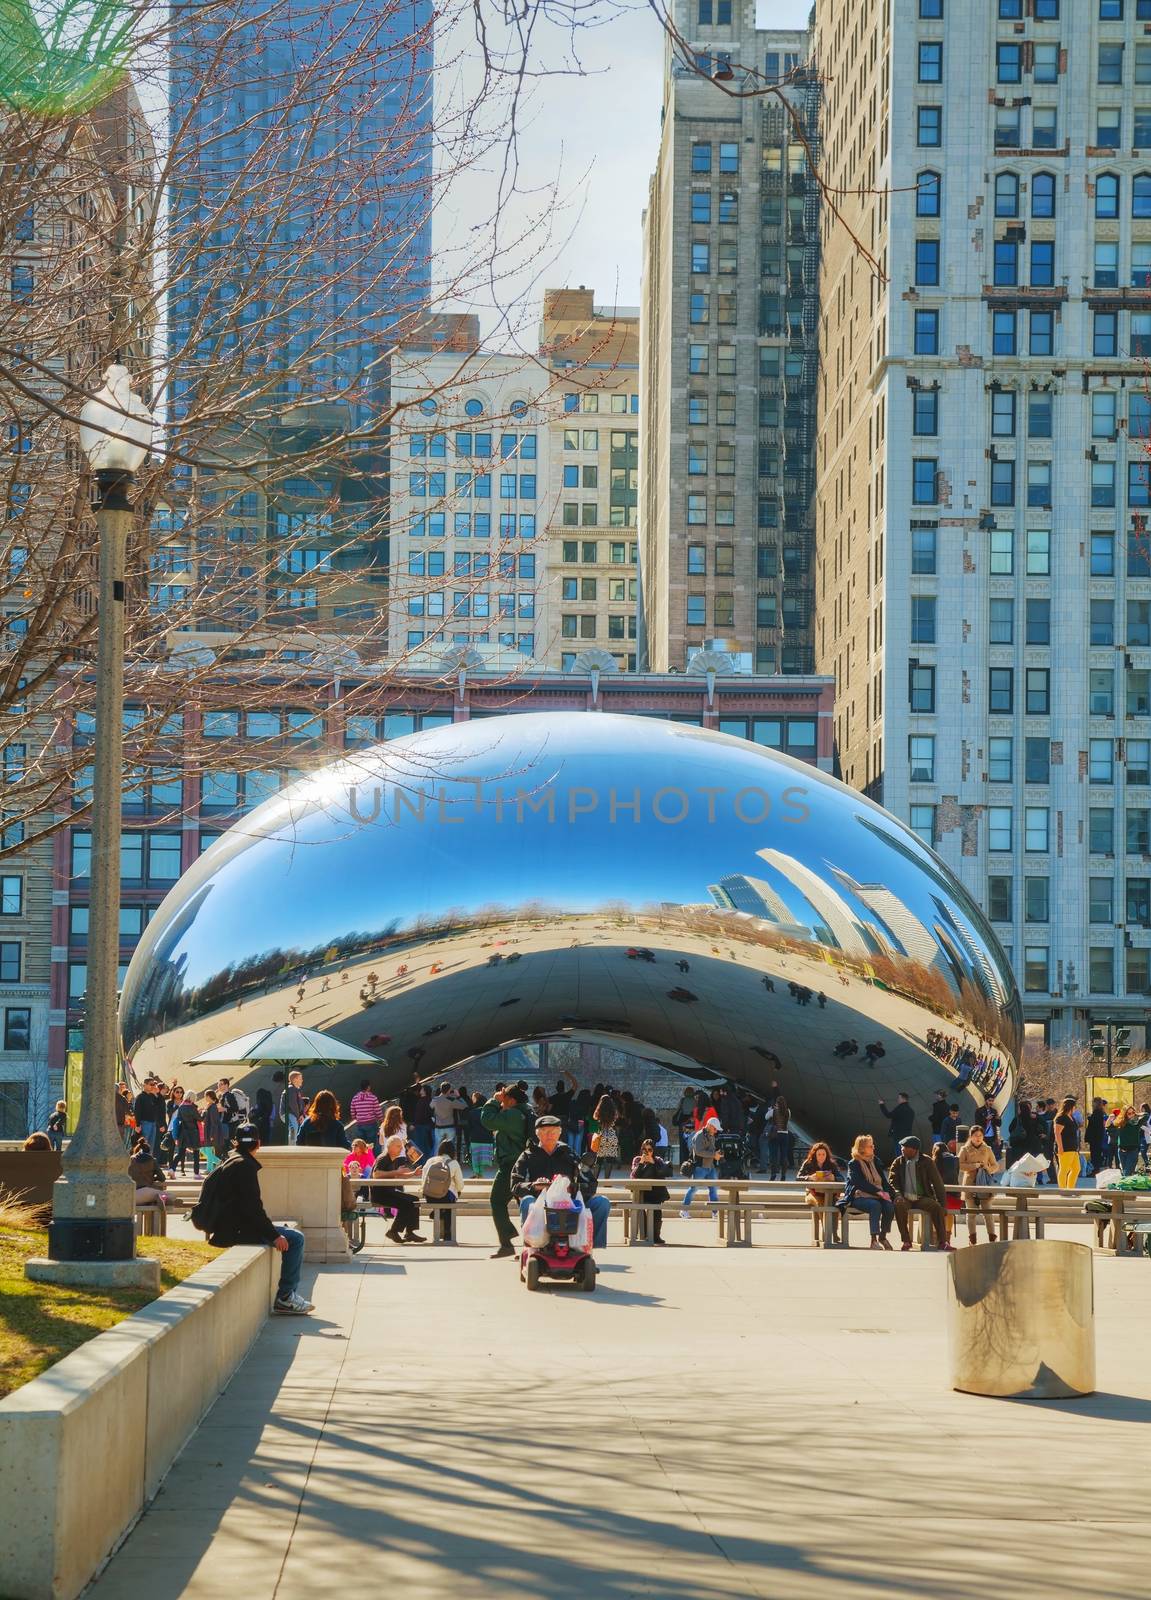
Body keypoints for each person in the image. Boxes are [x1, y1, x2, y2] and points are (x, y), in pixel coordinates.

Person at [192, 1123, 312, 1315]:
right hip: (237, 1230)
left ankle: (287, 1296)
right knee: (295, 1239)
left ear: (236, 1143)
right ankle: (286, 1297)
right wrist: (274, 1235)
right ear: (258, 1143)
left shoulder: (232, 1161)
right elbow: (252, 1208)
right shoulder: (245, 1166)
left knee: (288, 1233)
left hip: (231, 1226)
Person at [509, 1115, 611, 1250]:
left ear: (560, 1132)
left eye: (554, 1130)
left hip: (569, 1204)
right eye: (545, 1131)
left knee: (602, 1203)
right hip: (542, 1205)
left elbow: (590, 1185)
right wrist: (534, 1186)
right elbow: (515, 1185)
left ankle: (590, 1248)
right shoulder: (528, 1155)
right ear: (537, 1133)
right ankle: (531, 1246)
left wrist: (572, 1187)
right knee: (527, 1201)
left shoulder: (569, 1153)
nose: (549, 1134)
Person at [481, 1085, 534, 1258]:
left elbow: (487, 1120)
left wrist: (494, 1100)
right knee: (526, 1205)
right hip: (524, 1163)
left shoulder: (512, 1114)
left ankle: (506, 1243)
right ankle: (532, 1247)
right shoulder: (525, 1111)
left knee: (497, 1201)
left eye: (505, 1099)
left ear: (511, 1100)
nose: (502, 1102)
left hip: (511, 1165)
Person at [888, 1136, 951, 1251]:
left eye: (905, 1147)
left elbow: (938, 1183)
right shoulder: (898, 1162)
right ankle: (906, 1241)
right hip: (905, 1197)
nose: (902, 1149)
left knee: (936, 1207)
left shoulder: (927, 1161)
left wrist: (943, 1204)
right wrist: (897, 1194)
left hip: (922, 1197)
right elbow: (892, 1182)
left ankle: (943, 1242)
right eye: (902, 1146)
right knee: (899, 1205)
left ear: (914, 1149)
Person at [839, 1133, 896, 1249]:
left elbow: (883, 1181)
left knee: (889, 1206)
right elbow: (858, 1182)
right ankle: (873, 1240)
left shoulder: (875, 1161)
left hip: (877, 1196)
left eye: (873, 1145)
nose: (873, 1147)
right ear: (862, 1149)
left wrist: (892, 1194)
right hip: (859, 1197)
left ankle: (883, 1237)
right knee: (875, 1205)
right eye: (870, 1146)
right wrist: (878, 1192)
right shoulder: (854, 1163)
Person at [371, 1135, 427, 1242]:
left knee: (414, 1199)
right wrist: (397, 1172)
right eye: (398, 1146)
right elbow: (376, 1174)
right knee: (406, 1204)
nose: (401, 1149)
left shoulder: (393, 1159)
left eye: (401, 1147)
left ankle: (410, 1233)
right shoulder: (383, 1158)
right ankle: (393, 1231)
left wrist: (413, 1173)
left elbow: (397, 1175)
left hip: (389, 1192)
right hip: (380, 1195)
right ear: (389, 1146)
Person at [957, 1124, 1000, 1243]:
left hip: (984, 1184)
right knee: (971, 1213)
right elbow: (959, 1165)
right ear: (971, 1137)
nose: (978, 1138)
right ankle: (972, 1238)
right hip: (970, 1183)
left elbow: (996, 1166)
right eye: (975, 1136)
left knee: (988, 1212)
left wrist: (987, 1167)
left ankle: (992, 1237)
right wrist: (973, 1166)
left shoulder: (987, 1149)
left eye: (980, 1136)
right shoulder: (964, 1149)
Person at [797, 1141, 843, 1244]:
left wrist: (834, 1177)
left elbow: (841, 1178)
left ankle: (834, 1234)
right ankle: (826, 1234)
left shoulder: (831, 1165)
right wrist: (809, 1177)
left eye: (823, 1154)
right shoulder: (808, 1163)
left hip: (828, 1194)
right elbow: (798, 1177)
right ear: (815, 1155)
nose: (821, 1157)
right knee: (821, 1204)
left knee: (836, 1204)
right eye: (819, 1154)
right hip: (811, 1193)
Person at [423, 1138, 466, 1242]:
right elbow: (460, 1185)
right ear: (452, 1151)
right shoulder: (454, 1163)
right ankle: (448, 1233)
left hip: (430, 1197)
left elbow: (423, 1180)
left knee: (443, 1200)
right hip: (445, 1197)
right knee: (450, 1203)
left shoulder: (430, 1161)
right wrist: (457, 1191)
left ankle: (437, 1212)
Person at [631, 1136, 672, 1244]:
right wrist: (641, 1163)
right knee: (640, 1210)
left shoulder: (658, 1160)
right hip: (641, 1193)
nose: (647, 1152)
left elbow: (662, 1175)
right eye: (644, 1149)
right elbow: (634, 1176)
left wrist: (653, 1163)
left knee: (657, 1212)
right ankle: (644, 1235)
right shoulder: (637, 1159)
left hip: (655, 1193)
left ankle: (656, 1235)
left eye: (650, 1150)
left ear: (653, 1150)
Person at [681, 1116, 721, 1216]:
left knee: (713, 1189)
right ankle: (684, 1210)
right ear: (709, 1126)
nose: (716, 1131)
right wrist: (713, 1154)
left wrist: (716, 1154)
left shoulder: (710, 1135)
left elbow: (708, 1150)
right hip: (700, 1167)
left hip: (710, 1167)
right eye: (715, 1128)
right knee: (694, 1188)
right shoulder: (699, 1135)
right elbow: (698, 1151)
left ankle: (715, 1212)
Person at [171, 1090, 202, 1176]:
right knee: (196, 1153)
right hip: (193, 1132)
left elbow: (178, 1119)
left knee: (181, 1153)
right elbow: (200, 1119)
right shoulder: (193, 1107)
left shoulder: (181, 1107)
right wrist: (202, 1112)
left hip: (183, 1132)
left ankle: (172, 1169)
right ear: (192, 1098)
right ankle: (196, 1173)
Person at [590, 1094, 621, 1178]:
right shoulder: (613, 1110)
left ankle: (594, 1179)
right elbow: (617, 1116)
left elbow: (594, 1117)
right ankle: (607, 1180)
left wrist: (599, 1106)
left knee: (599, 1159)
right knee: (609, 1159)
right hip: (611, 1135)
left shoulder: (599, 1110)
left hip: (602, 1135)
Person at [1053, 1096, 1081, 1189]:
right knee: (1064, 1169)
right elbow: (1057, 1133)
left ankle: (1070, 1188)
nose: (1075, 1108)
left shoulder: (1071, 1117)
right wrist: (1060, 1147)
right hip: (1065, 1147)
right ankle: (1063, 1189)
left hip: (1073, 1148)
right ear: (1071, 1106)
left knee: (1076, 1169)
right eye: (1074, 1106)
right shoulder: (1061, 1118)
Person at [128, 1140, 167, 1205]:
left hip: (133, 1192)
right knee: (169, 1196)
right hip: (147, 1190)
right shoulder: (152, 1160)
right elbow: (162, 1178)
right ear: (149, 1151)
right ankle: (162, 1199)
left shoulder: (130, 1160)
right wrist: (153, 1178)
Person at [132, 1077, 163, 1153]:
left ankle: (148, 1161)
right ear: (144, 1085)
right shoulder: (140, 1097)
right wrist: (138, 1124)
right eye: (151, 1084)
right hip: (145, 1123)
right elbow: (137, 1111)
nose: (153, 1086)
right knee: (143, 1144)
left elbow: (160, 1105)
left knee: (150, 1146)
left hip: (153, 1123)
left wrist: (157, 1093)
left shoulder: (152, 1096)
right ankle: (141, 1161)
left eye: (154, 1084)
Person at [201, 1088, 230, 1169]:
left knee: (207, 1150)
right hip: (207, 1131)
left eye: (205, 1096)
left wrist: (212, 1134)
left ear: (209, 1096)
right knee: (205, 1149)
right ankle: (218, 1162)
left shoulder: (213, 1107)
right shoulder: (209, 1106)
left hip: (210, 1132)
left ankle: (210, 1168)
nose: (205, 1098)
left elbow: (214, 1122)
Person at [349, 1080, 383, 1148]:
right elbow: (378, 1111)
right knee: (372, 1145)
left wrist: (357, 1118)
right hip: (371, 1124)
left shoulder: (355, 1098)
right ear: (368, 1087)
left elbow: (352, 1112)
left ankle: (363, 1158)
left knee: (362, 1145)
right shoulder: (373, 1098)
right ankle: (372, 1158)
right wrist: (382, 1120)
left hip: (360, 1124)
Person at [466, 1091, 493, 1176]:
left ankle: (477, 1174)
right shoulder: (489, 1112)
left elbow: (469, 1128)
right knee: (482, 1160)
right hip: (487, 1139)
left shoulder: (471, 1113)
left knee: (475, 1159)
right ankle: (480, 1174)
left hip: (475, 1139)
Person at [430, 1080, 462, 1148]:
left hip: (438, 1127)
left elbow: (430, 1107)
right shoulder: (452, 1099)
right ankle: (449, 1158)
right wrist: (458, 1096)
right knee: (450, 1147)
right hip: (450, 1127)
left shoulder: (436, 1099)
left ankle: (437, 1158)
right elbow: (464, 1106)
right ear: (449, 1090)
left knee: (438, 1147)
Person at [767, 1095, 791, 1180]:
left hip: (775, 1134)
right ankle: (783, 1175)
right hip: (785, 1134)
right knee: (784, 1155)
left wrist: (770, 1110)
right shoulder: (788, 1111)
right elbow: (788, 1120)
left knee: (774, 1155)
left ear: (776, 1103)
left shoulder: (773, 1111)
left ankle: (773, 1174)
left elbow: (766, 1117)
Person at [280, 1071, 309, 1142]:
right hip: (288, 1114)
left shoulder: (297, 1090)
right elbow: (293, 1105)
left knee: (307, 1122)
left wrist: (302, 1115)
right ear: (295, 1080)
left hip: (296, 1114)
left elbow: (300, 1104)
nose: (302, 1080)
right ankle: (291, 1146)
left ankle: (300, 1142)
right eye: (300, 1078)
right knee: (293, 1127)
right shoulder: (290, 1089)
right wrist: (299, 1116)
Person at [1116, 1106, 1144, 1176]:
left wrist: (1137, 1114)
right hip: (1121, 1152)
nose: (1131, 1115)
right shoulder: (1121, 1123)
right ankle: (1128, 1185)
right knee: (1125, 1172)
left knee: (1127, 1173)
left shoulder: (1137, 1123)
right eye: (1129, 1113)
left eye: (1133, 1113)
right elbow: (1108, 1125)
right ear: (1125, 1114)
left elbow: (1146, 1115)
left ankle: (1124, 1185)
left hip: (1132, 1152)